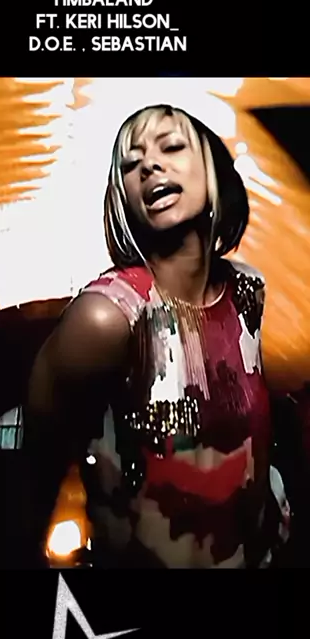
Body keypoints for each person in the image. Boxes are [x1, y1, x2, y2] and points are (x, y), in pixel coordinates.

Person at [19, 104, 291, 569]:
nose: (149, 165)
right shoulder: (105, 319)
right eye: (131, 164)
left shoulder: (248, 290)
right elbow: (35, 476)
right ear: (122, 199)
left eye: (172, 146)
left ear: (214, 173)